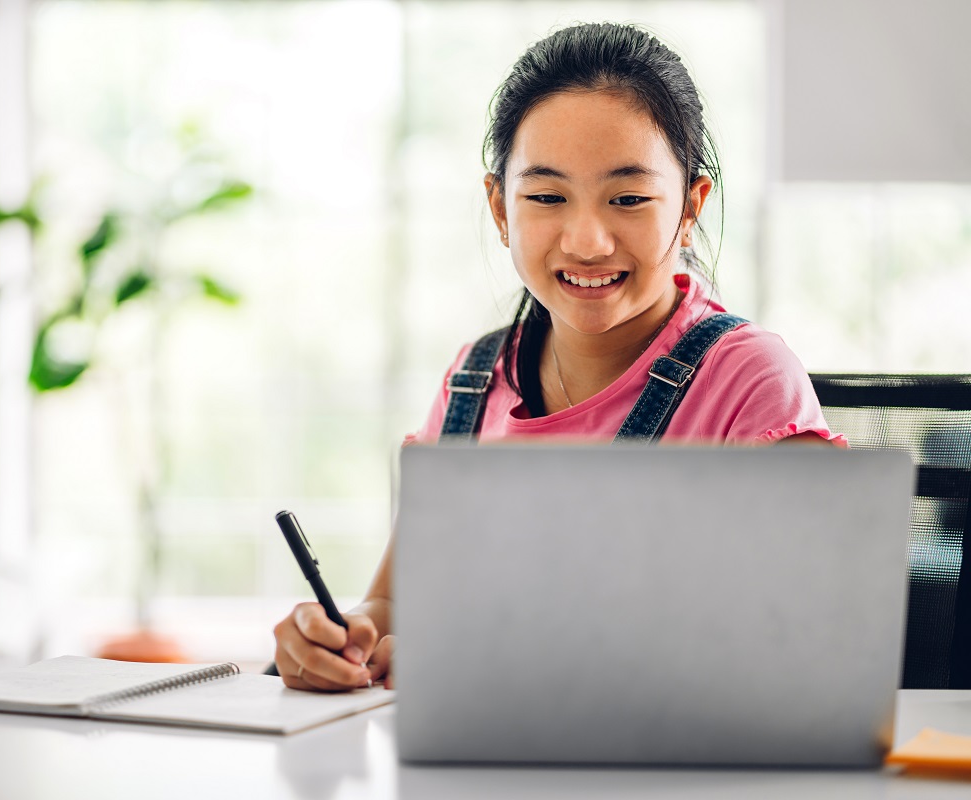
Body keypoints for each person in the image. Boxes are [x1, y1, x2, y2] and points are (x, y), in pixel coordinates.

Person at [272, 22, 842, 692]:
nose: (588, 241)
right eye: (546, 197)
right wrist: (340, 639)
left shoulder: (749, 379)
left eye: (628, 198)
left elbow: (812, 644)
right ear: (500, 208)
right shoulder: (473, 382)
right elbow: (395, 606)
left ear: (691, 207)